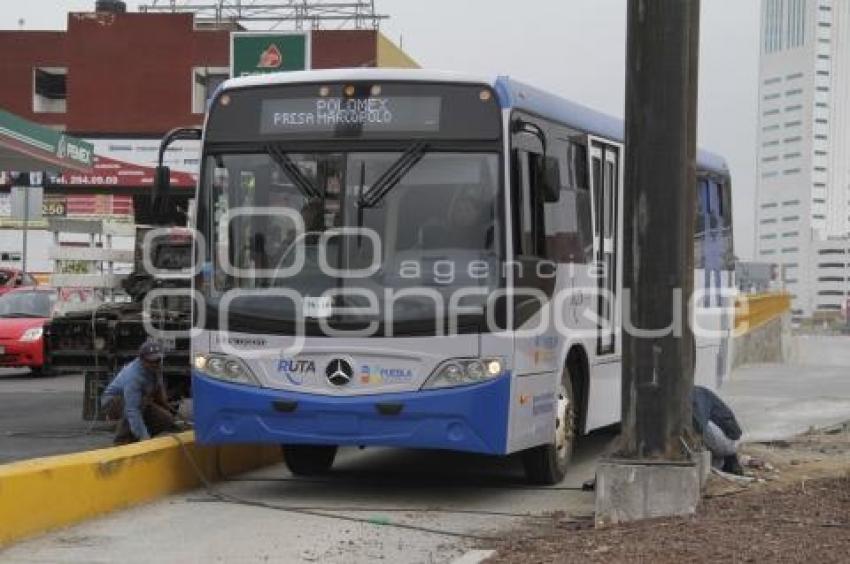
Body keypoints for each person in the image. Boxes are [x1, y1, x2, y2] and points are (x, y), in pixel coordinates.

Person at [101, 340, 179, 445]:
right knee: (138, 405)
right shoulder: (134, 376)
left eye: (158, 360)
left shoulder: (156, 369)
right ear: (142, 360)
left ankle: (134, 439)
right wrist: (145, 439)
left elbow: (158, 389)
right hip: (112, 401)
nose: (155, 364)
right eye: (151, 361)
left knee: (166, 419)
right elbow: (132, 410)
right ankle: (121, 441)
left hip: (139, 400)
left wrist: (169, 411)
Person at [691, 385, 744, 475]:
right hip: (722, 441)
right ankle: (723, 463)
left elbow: (699, 425)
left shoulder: (695, 395)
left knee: (701, 426)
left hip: (729, 440)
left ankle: (727, 457)